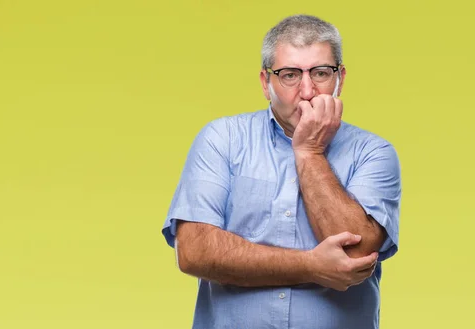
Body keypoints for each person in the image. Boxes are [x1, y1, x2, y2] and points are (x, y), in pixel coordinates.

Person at [160, 14, 401, 329]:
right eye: (289, 75)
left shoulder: (373, 153)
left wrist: (309, 152)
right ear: (265, 82)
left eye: (320, 72)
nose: (307, 90)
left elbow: (356, 255)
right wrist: (310, 266)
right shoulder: (222, 139)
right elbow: (194, 251)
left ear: (340, 77)